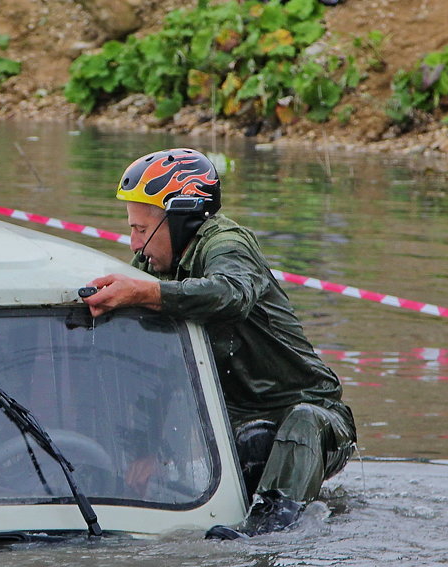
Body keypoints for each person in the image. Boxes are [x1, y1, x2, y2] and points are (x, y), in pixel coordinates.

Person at [82, 148, 356, 539]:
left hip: (317, 420)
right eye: (131, 229)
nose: (134, 244)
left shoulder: (227, 243)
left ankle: (271, 535)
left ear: (179, 221)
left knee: (303, 420)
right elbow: (155, 369)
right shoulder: (155, 265)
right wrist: (143, 449)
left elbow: (232, 294)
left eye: (141, 230)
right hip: (241, 426)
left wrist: (147, 294)